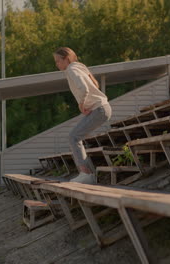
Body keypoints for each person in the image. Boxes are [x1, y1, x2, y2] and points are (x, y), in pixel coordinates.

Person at [53, 47, 112, 184]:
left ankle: (86, 174)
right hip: (102, 108)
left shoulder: (72, 70)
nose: (56, 64)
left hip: (100, 109)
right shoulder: (78, 68)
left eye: (58, 61)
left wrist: (81, 104)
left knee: (74, 137)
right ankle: (87, 174)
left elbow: (84, 88)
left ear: (66, 59)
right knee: (75, 136)